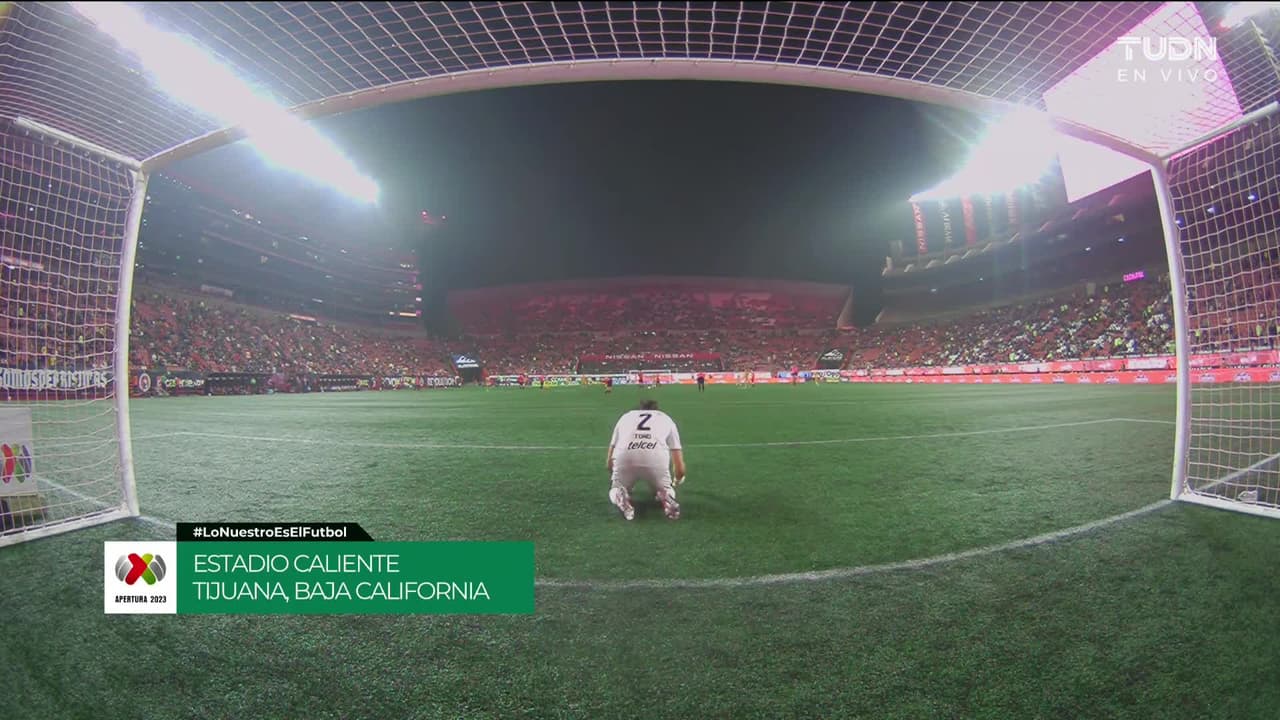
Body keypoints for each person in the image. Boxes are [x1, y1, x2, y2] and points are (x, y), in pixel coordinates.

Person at [605, 399, 685, 520]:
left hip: (625, 456)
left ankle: (619, 495)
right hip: (656, 458)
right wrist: (677, 480)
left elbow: (609, 462)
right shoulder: (666, 419)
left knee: (616, 488)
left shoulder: (626, 417)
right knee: (666, 489)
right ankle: (666, 494)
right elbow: (679, 467)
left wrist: (619, 480)